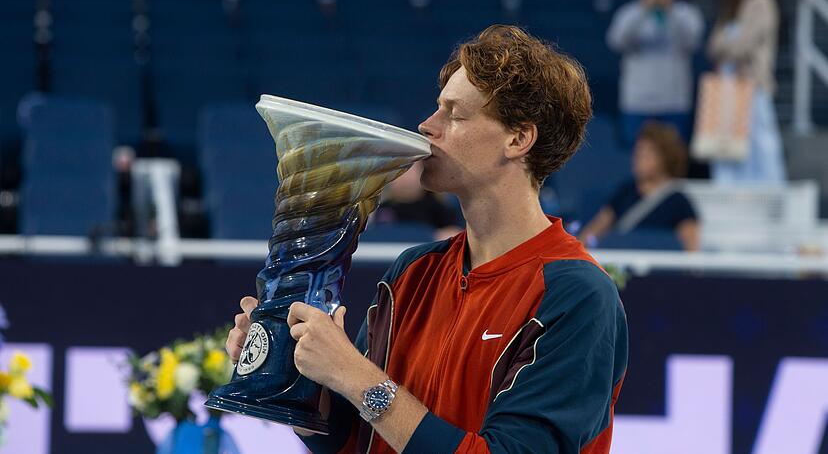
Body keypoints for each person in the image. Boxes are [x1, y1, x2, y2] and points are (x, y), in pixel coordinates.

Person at [227, 25, 628, 453]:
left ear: (518, 138)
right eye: (437, 108)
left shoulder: (578, 295)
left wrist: (354, 375)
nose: (426, 125)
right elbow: (356, 440)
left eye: (454, 114)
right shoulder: (413, 271)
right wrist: (296, 373)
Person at [607, 0, 704, 147]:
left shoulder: (686, 13)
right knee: (639, 157)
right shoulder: (630, 13)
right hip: (638, 103)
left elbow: (693, 42)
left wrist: (669, 9)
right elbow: (616, 41)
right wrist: (644, 7)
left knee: (673, 155)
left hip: (674, 103)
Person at [707, 0, 786, 183]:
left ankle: (771, 194)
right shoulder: (730, 5)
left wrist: (725, 47)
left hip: (753, 87)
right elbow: (712, 47)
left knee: (761, 145)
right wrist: (726, 47)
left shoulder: (762, 0)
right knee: (725, 146)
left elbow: (743, 45)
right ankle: (728, 193)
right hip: (727, 88)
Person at [579, 121, 700, 251]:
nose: (638, 158)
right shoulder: (625, 191)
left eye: (647, 153)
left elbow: (691, 251)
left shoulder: (678, 202)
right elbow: (595, 230)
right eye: (638, 152)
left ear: (665, 157)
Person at [372, 161, 463, 241]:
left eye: (409, 171)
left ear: (423, 174)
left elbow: (456, 234)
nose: (404, 177)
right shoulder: (384, 207)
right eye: (398, 172)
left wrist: (438, 236)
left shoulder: (437, 206)